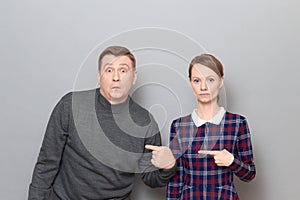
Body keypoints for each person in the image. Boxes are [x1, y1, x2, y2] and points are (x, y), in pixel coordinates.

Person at [28, 46, 176, 200]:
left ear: (134, 77)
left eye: (123, 70)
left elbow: (151, 179)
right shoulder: (70, 106)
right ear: (99, 76)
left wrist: (168, 167)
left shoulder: (145, 122)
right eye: (109, 70)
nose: (116, 77)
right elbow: (46, 163)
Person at [166, 54, 256, 200]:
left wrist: (232, 161)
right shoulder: (179, 126)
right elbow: (176, 179)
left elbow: (250, 174)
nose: (203, 87)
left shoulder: (237, 123)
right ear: (190, 83)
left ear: (220, 81)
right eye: (197, 80)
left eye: (210, 80)